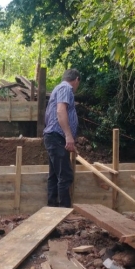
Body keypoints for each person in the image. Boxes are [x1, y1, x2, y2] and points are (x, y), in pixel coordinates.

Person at [43, 69, 81, 208]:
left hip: (54, 137)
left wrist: (67, 138)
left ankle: (52, 209)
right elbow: (60, 111)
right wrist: (68, 136)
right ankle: (63, 211)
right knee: (65, 176)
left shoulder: (59, 88)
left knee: (54, 176)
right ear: (76, 80)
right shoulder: (66, 88)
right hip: (57, 137)